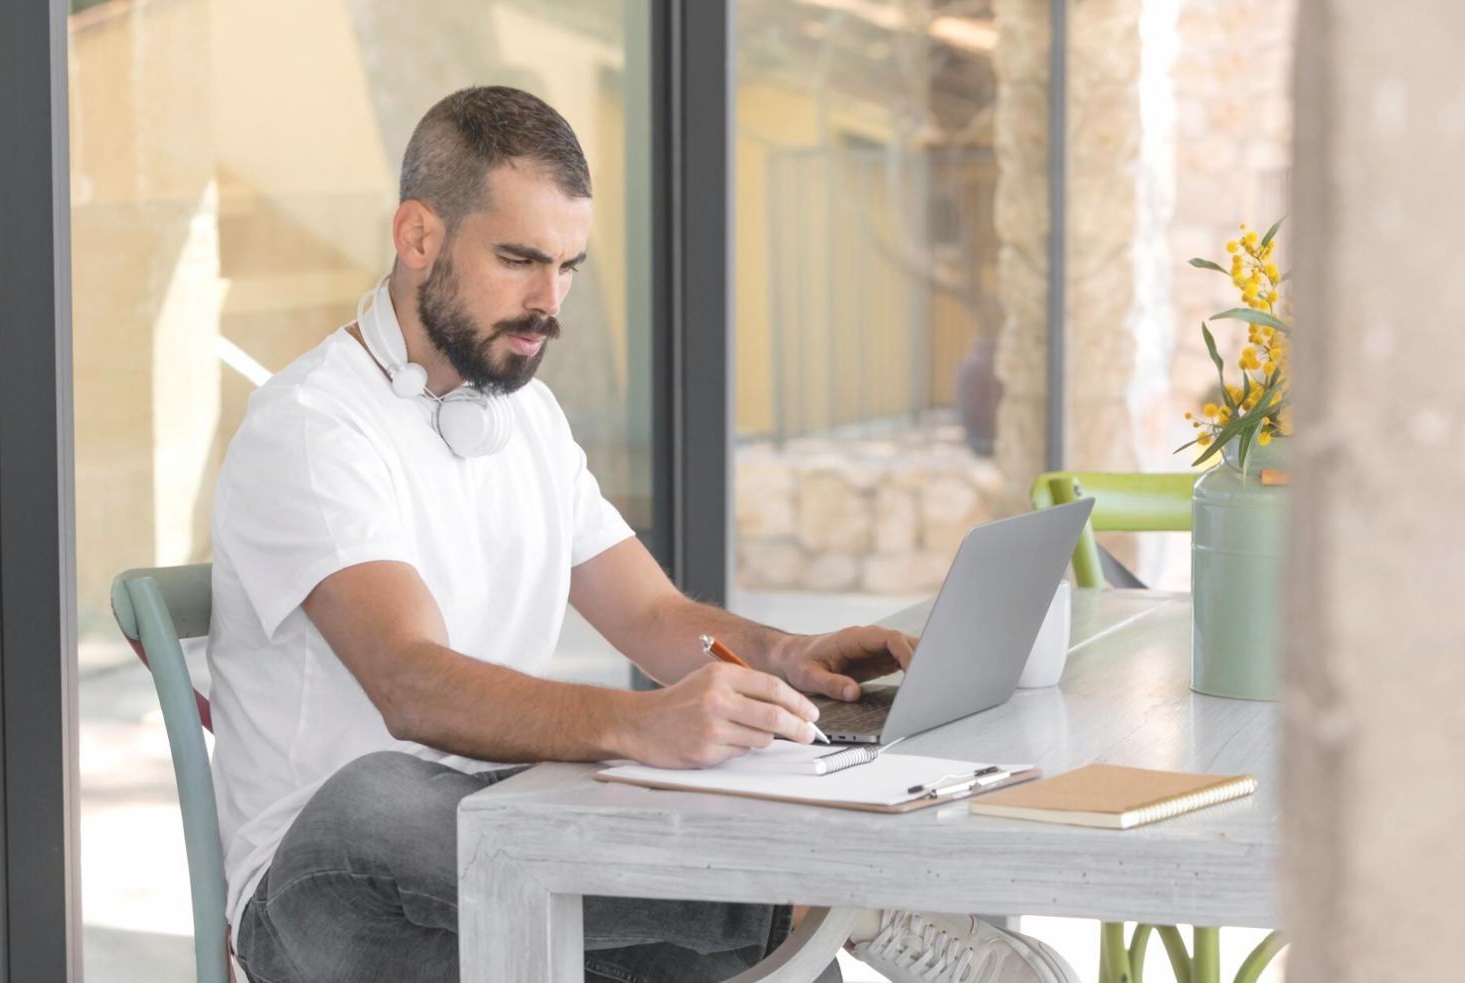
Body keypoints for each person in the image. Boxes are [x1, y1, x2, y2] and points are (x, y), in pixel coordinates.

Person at [209, 85, 1079, 983]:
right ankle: (839, 898)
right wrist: (639, 725)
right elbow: (409, 682)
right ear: (418, 236)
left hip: (507, 860)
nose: (550, 301)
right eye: (519, 260)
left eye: (569, 265)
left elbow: (656, 614)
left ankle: (821, 909)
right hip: (329, 897)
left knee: (748, 957)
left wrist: (783, 654)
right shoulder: (312, 427)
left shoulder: (527, 417)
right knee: (374, 794)